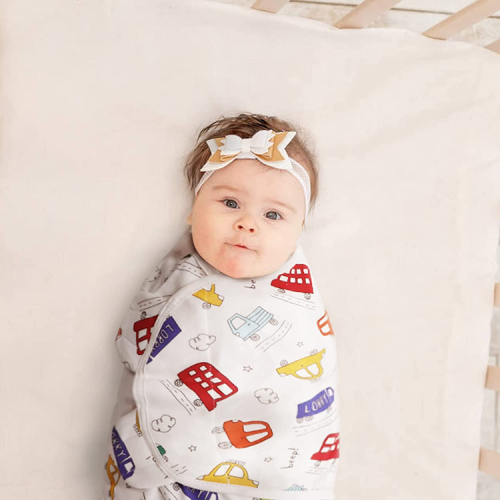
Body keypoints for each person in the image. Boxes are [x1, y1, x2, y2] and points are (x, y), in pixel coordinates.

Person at [103, 113, 340, 500]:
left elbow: (310, 375)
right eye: (230, 203)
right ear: (193, 210)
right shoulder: (174, 278)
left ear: (298, 232)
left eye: (273, 214)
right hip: (171, 467)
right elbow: (133, 345)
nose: (248, 223)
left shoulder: (298, 300)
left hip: (280, 470)